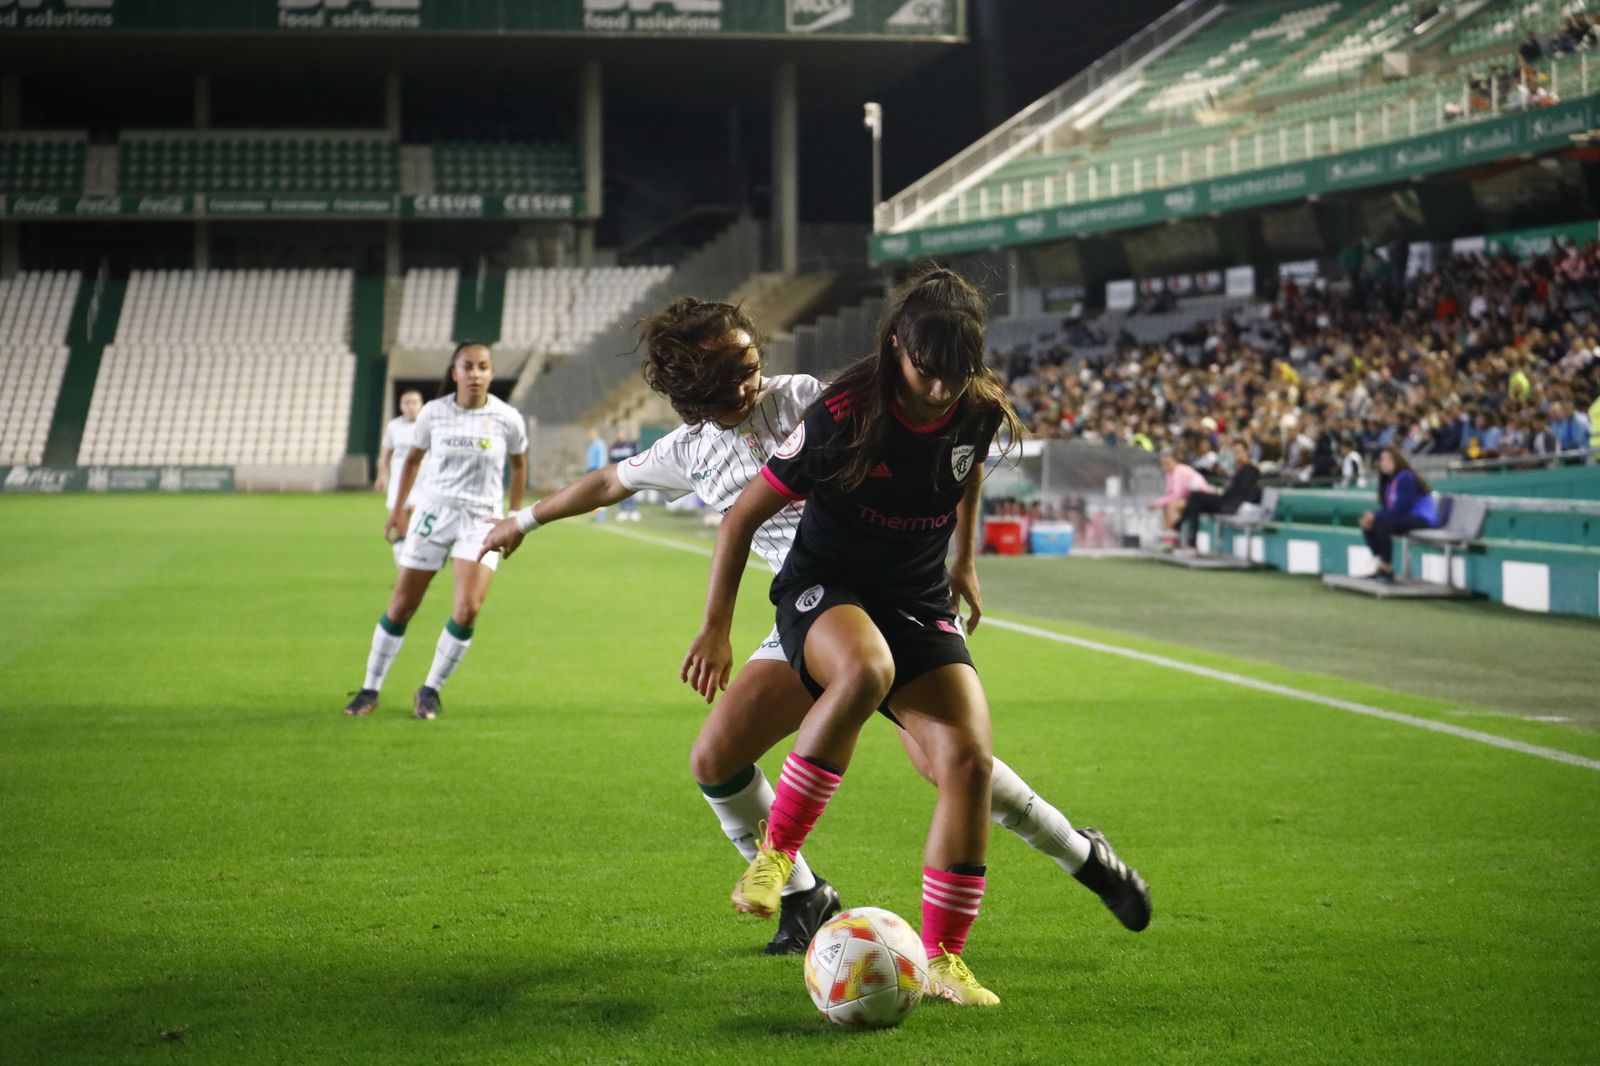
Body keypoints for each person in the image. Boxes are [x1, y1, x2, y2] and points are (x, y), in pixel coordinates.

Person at [479, 296, 1149, 959]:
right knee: (716, 760)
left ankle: (1084, 856)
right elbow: (605, 485)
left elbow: (951, 444)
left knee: (954, 768)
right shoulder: (688, 453)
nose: (749, 384)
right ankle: (804, 894)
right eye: (729, 379)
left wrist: (963, 559)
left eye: (750, 366)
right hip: (812, 605)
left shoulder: (806, 397)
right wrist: (524, 520)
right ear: (693, 392)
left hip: (888, 590)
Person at [681, 269, 1135, 1007]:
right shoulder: (843, 411)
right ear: (897, 347)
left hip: (916, 597)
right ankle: (778, 856)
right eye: (927, 373)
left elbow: (967, 467)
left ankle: (946, 959)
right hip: (825, 587)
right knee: (863, 672)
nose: (939, 392)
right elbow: (741, 516)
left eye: (956, 378)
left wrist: (964, 559)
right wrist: (716, 629)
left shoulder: (975, 405)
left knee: (968, 760)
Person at [343, 342, 527, 720]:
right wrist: (398, 511)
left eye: (483, 367)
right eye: (467, 366)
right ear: (454, 372)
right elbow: (411, 460)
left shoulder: (508, 418)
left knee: (467, 609)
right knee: (402, 605)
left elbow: (520, 465)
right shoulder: (433, 413)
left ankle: (430, 690)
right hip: (434, 514)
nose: (475, 373)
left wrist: (516, 517)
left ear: (491, 373)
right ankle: (370, 688)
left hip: (482, 520)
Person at [1358, 446, 1438, 581]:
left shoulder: (1406, 477)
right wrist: (1372, 517)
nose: (1384, 462)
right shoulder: (1389, 482)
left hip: (1422, 518)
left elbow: (1403, 507)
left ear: (1397, 461)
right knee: (1369, 524)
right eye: (1382, 459)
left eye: (1389, 459)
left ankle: (1387, 569)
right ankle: (1381, 565)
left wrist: (1376, 516)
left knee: (1383, 525)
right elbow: (1390, 509)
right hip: (1406, 517)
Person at [1176, 439, 1262, 550]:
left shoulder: (1250, 469)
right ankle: (1189, 540)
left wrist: (1222, 492)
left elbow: (1240, 492)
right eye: (1234, 451)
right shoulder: (1240, 469)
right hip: (1228, 501)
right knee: (1195, 502)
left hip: (1232, 505)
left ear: (1246, 451)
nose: (1236, 454)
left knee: (1195, 498)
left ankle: (1179, 529)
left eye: (1239, 451)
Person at [375, 389, 425, 565]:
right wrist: (381, 476)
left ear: (421, 405)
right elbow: (386, 454)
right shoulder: (394, 426)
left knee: (419, 526)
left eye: (414, 402)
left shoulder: (428, 425)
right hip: (399, 482)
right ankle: (403, 568)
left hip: (423, 483)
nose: (411, 406)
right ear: (401, 406)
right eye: (407, 402)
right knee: (401, 524)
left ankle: (416, 564)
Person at [1148, 451, 1208, 545]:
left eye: (1167, 462)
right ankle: (1167, 536)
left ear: (1174, 461)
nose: (1165, 464)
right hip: (1190, 498)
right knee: (1166, 506)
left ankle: (1175, 536)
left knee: (1172, 506)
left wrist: (1156, 503)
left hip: (1200, 498)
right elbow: (1169, 493)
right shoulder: (1170, 473)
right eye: (1163, 462)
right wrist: (1159, 502)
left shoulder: (1180, 471)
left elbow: (1176, 494)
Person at [607, 427, 641, 522]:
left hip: (630, 472)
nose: (620, 436)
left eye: (621, 434)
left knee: (631, 491)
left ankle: (634, 511)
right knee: (620, 493)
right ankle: (623, 511)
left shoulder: (629, 446)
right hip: (618, 473)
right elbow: (611, 460)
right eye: (618, 434)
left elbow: (636, 457)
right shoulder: (613, 447)